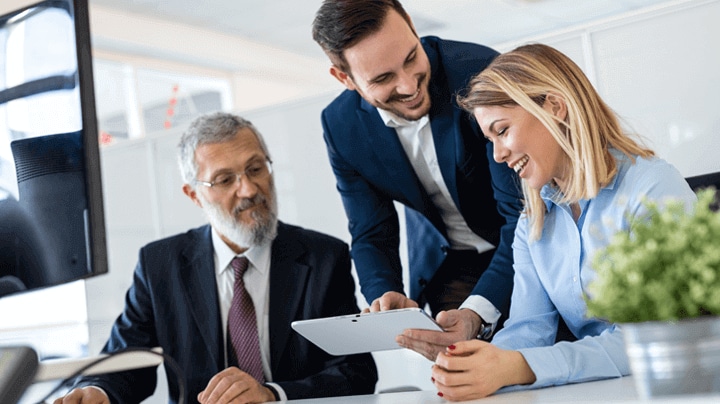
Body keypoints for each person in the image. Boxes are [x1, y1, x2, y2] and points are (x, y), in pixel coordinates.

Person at [430, 43, 697, 401]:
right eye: (490, 139)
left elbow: (652, 337)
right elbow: (528, 329)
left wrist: (519, 366)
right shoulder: (532, 224)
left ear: (555, 108)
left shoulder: (652, 189)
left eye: (503, 130)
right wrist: (476, 362)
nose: (497, 154)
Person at [53, 112, 378, 404]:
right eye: (225, 180)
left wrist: (273, 395)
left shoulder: (324, 257)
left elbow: (355, 372)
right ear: (194, 195)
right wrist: (98, 393)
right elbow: (126, 363)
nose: (249, 190)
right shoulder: (159, 266)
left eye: (256, 169)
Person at [311, 0, 524, 361]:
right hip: (449, 268)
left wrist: (479, 312)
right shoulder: (341, 126)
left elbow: (520, 217)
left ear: (410, 24)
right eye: (382, 78)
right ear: (344, 78)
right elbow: (370, 233)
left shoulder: (481, 74)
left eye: (411, 58)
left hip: (522, 247)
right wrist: (385, 295)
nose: (408, 86)